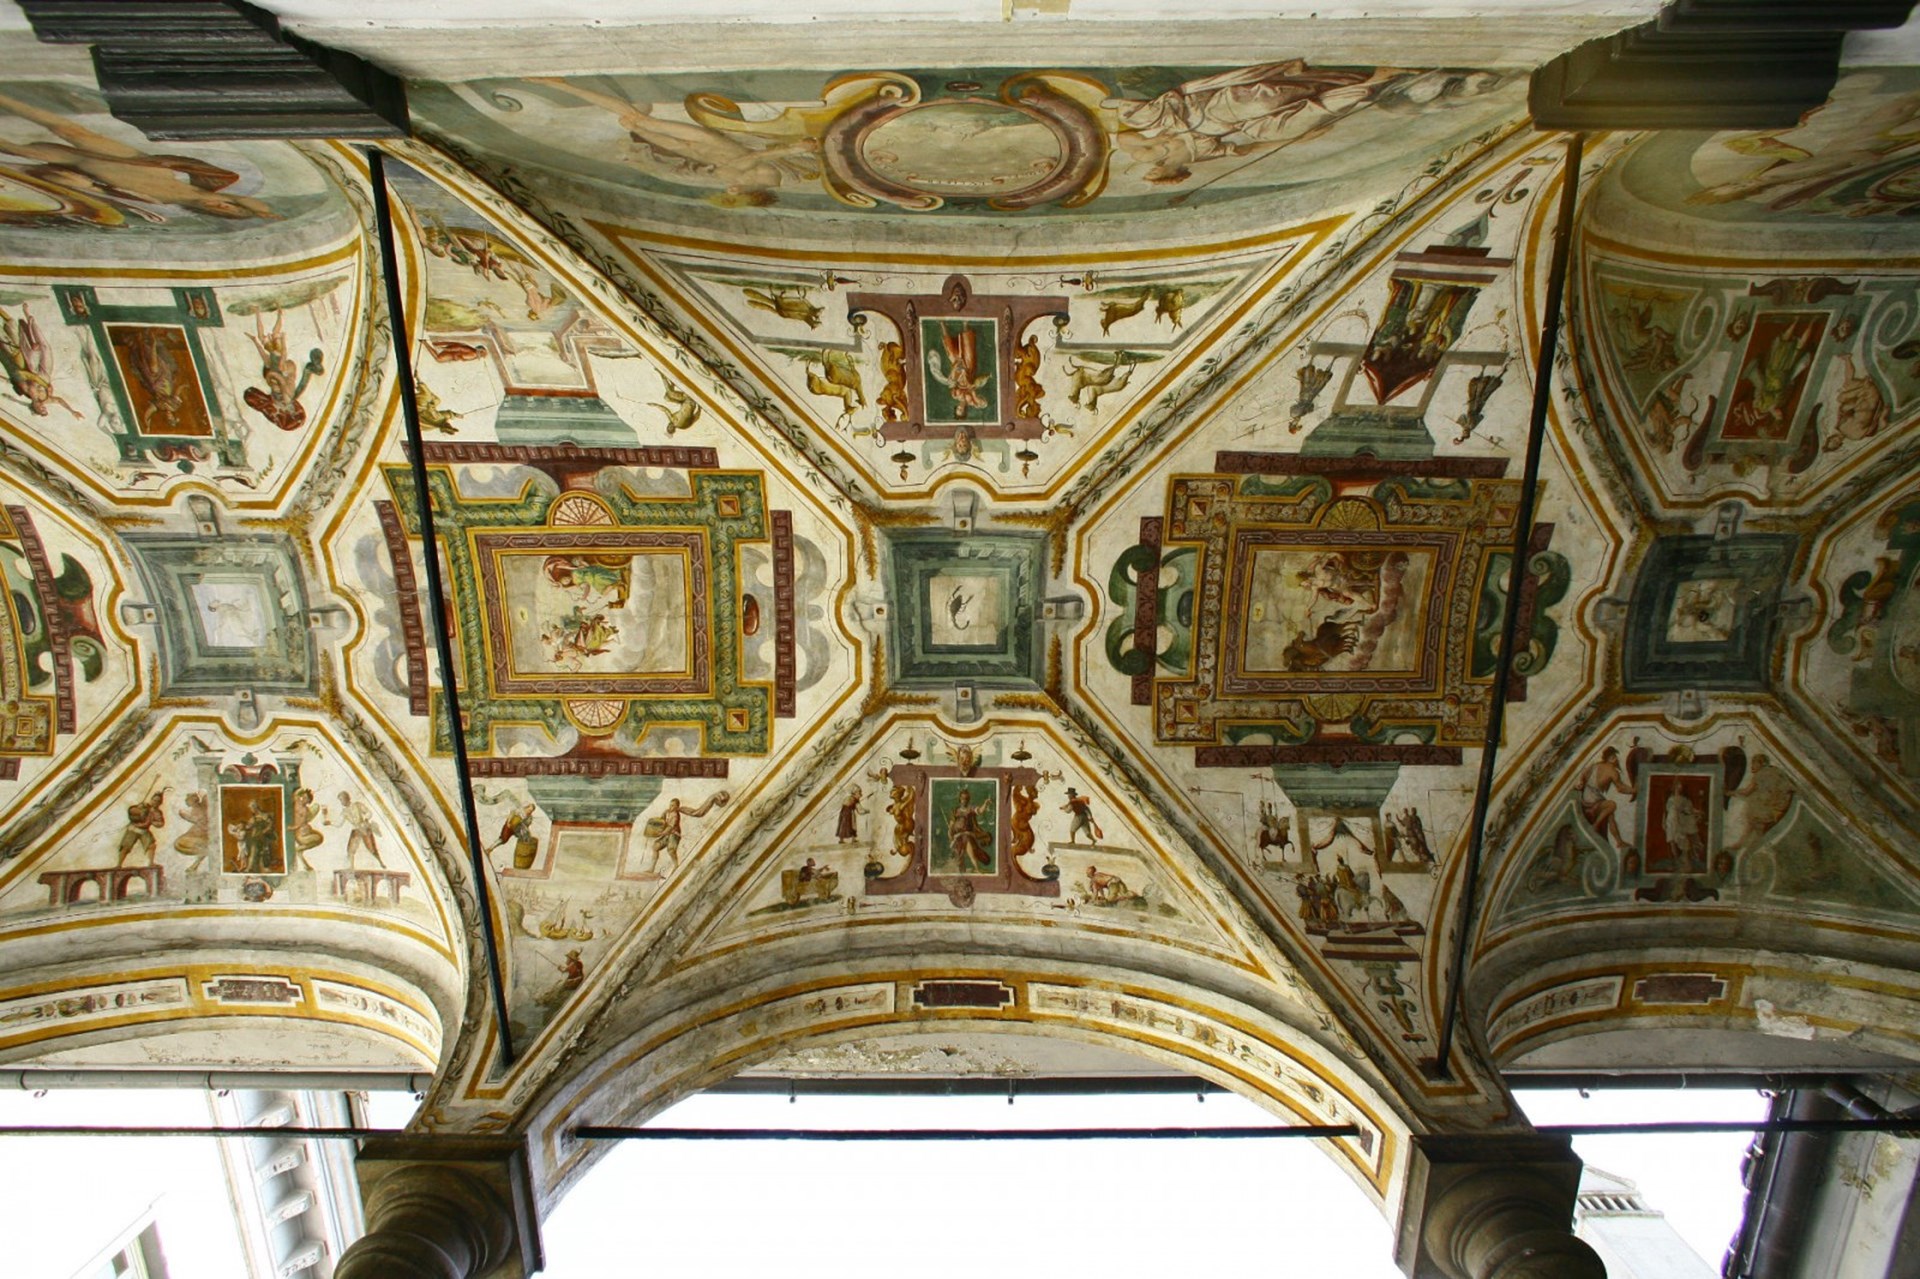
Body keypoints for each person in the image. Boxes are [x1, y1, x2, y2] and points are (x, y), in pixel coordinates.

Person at [0, 89, 275, 223]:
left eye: (224, 210)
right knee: (69, 129)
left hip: (88, 168)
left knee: (19, 151)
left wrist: (86, 186)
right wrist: (265, 214)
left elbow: (110, 197)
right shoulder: (210, 190)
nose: (223, 206)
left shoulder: (162, 204)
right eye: (230, 205)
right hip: (133, 162)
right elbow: (252, 205)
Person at [1578, 747, 1634, 851]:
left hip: (1588, 795)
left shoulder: (1596, 765)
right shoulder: (1613, 772)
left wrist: (1581, 783)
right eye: (1614, 757)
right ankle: (1595, 826)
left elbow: (1584, 773)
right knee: (1612, 805)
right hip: (1592, 799)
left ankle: (1619, 842)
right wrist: (1634, 791)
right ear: (1610, 758)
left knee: (1610, 816)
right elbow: (1621, 788)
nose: (1616, 759)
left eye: (1615, 757)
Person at [116, 787, 169, 866]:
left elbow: (160, 823)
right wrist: (140, 810)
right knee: (125, 847)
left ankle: (151, 863)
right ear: (151, 800)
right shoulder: (144, 806)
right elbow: (132, 811)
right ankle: (119, 865)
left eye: (158, 801)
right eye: (154, 800)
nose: (155, 803)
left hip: (144, 830)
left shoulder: (157, 812)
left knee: (151, 846)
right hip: (133, 829)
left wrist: (153, 822)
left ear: (160, 803)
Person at [945, 786, 992, 873]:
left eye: (966, 798)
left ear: (968, 799)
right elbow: (951, 825)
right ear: (960, 799)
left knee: (972, 854)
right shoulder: (955, 810)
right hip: (957, 836)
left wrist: (985, 804)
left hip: (967, 835)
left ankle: (977, 869)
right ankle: (962, 872)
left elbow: (979, 811)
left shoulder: (970, 809)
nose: (964, 800)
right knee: (959, 858)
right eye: (963, 798)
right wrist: (950, 835)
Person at [338, 791, 387, 868]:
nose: (341, 802)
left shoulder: (357, 805)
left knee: (371, 848)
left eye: (342, 799)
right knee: (350, 849)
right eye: (340, 800)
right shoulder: (344, 812)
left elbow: (369, 812)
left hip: (364, 828)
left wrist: (365, 819)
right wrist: (329, 822)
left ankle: (380, 862)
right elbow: (339, 824)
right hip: (356, 829)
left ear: (347, 798)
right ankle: (351, 867)